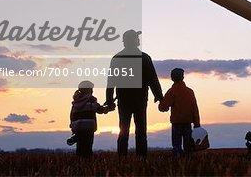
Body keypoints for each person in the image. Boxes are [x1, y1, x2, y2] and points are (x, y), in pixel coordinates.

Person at [106, 29, 163, 157]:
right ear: (134, 41)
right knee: (141, 130)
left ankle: (122, 157)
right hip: (140, 99)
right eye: (137, 38)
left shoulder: (117, 58)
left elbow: (111, 81)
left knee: (123, 130)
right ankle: (141, 157)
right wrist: (159, 96)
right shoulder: (145, 58)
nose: (138, 40)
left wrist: (109, 100)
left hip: (124, 99)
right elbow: (152, 79)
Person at [158, 68, 201, 156]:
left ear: (172, 78)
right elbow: (195, 109)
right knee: (188, 147)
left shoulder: (172, 92)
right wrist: (197, 124)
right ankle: (188, 163)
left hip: (176, 122)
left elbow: (163, 108)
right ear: (183, 77)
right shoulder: (190, 92)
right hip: (187, 122)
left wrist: (160, 101)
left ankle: (177, 160)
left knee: (177, 146)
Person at [68, 80, 112, 157]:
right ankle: (87, 163)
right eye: (91, 89)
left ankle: (80, 163)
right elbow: (100, 109)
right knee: (88, 148)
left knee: (80, 148)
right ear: (88, 90)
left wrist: (72, 127)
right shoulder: (91, 100)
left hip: (78, 129)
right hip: (88, 128)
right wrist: (108, 108)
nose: (92, 91)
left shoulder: (76, 102)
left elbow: (72, 116)